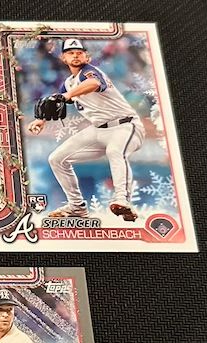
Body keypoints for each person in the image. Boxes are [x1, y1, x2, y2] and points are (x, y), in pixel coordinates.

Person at [28, 38, 145, 222]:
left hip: (126, 126)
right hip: (98, 129)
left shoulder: (90, 72)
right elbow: (56, 102)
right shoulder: (68, 83)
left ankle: (123, 200)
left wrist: (67, 95)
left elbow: (93, 84)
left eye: (80, 52)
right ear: (63, 58)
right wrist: (41, 120)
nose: (75, 55)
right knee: (57, 159)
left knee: (115, 151)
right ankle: (76, 207)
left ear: (87, 57)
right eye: (70, 53)